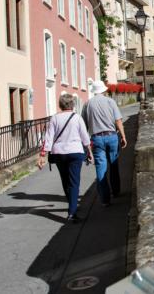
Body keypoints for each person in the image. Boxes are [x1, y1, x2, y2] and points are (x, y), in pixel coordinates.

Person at [38, 94, 92, 223]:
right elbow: (85, 137)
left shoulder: (55, 118)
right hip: (75, 152)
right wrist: (89, 151)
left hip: (59, 153)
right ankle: (72, 212)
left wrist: (42, 155)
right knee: (74, 182)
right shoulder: (77, 118)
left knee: (65, 180)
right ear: (72, 105)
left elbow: (49, 137)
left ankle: (72, 205)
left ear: (60, 105)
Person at [82, 80, 127, 206]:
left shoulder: (87, 104)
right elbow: (118, 120)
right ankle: (116, 191)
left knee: (100, 169)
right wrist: (123, 136)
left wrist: (86, 146)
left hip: (96, 138)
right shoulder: (110, 102)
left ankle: (105, 199)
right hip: (112, 136)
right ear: (103, 90)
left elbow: (83, 126)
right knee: (113, 164)